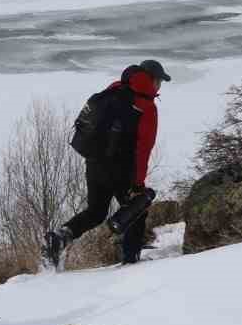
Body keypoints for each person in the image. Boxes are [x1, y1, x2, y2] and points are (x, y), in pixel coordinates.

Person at [46, 59, 171, 268]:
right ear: (151, 79)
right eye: (159, 81)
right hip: (121, 168)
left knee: (96, 212)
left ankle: (60, 237)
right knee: (136, 209)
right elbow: (143, 149)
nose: (159, 86)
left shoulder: (113, 90)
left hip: (94, 162)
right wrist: (138, 184)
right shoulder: (146, 107)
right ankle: (131, 261)